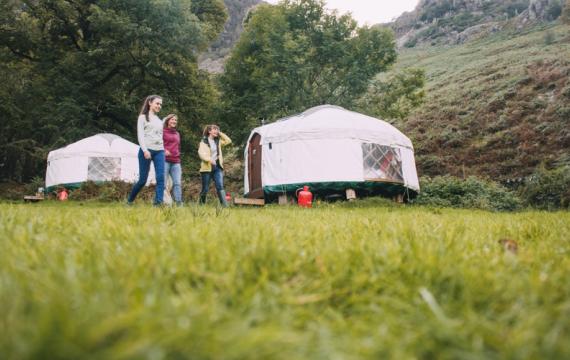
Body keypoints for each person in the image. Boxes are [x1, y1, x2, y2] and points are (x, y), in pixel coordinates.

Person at [127, 95, 165, 206]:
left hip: (159, 151)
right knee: (143, 180)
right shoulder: (142, 117)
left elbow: (160, 136)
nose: (159, 106)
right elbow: (140, 135)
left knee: (160, 177)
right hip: (146, 150)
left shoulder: (158, 120)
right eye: (157, 103)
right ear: (150, 103)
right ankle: (129, 201)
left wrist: (163, 148)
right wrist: (145, 150)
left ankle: (158, 203)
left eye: (160, 104)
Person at [198, 124, 232, 206]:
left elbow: (228, 141)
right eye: (214, 129)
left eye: (217, 129)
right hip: (207, 168)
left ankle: (224, 206)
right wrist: (209, 160)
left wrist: (220, 133)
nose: (216, 131)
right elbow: (201, 154)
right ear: (209, 131)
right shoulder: (203, 142)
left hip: (217, 167)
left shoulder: (218, 141)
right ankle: (201, 205)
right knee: (205, 189)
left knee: (220, 186)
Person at [163, 113, 183, 206]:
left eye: (175, 120)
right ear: (167, 121)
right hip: (165, 160)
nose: (174, 121)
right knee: (163, 183)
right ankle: (161, 202)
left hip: (176, 161)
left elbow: (177, 146)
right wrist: (164, 150)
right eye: (172, 119)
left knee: (177, 183)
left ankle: (179, 203)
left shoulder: (177, 133)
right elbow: (157, 143)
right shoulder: (162, 131)